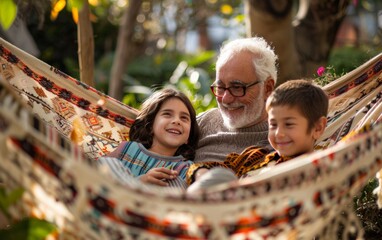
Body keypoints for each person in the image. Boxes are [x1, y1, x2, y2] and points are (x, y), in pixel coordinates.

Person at [187, 79, 328, 191]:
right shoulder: (256, 157)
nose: (279, 133)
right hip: (230, 210)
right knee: (220, 176)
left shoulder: (325, 166)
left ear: (318, 127)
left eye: (289, 124)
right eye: (273, 125)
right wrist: (201, 173)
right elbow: (210, 168)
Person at [195, 36, 278, 163]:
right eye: (220, 87)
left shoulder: (283, 137)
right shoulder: (201, 124)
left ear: (267, 88)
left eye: (237, 87)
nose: (226, 99)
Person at [98, 87, 200, 189]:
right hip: (115, 196)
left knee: (175, 181)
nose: (177, 121)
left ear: (189, 137)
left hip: (160, 202)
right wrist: (141, 181)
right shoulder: (127, 149)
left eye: (184, 118)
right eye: (167, 114)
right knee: (108, 163)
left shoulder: (185, 168)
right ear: (150, 125)